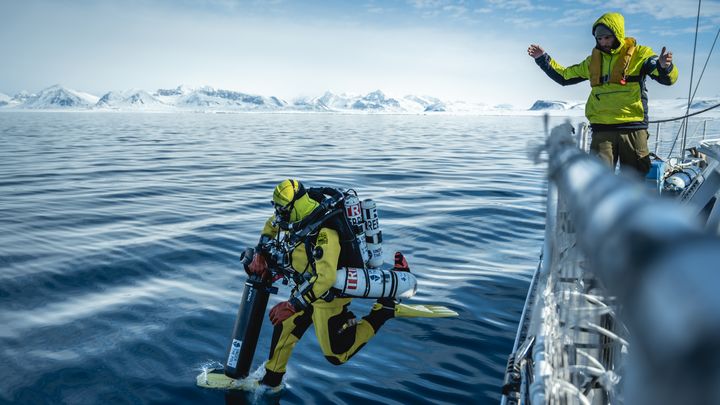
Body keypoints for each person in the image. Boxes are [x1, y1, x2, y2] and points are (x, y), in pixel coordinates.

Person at [245, 179, 410, 388]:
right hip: (305, 288)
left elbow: (326, 278)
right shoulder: (291, 217)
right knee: (285, 328)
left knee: (337, 355)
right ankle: (272, 381)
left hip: (328, 297)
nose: (278, 214)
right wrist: (260, 251)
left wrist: (292, 305)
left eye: (282, 209)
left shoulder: (325, 232)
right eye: (276, 207)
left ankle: (384, 310)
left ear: (294, 205)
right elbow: (271, 224)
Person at [528, 12, 678, 176]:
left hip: (633, 128)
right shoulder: (592, 61)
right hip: (602, 129)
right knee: (599, 179)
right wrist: (543, 59)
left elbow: (666, 79)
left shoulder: (640, 54)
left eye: (607, 37)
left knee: (635, 180)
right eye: (599, 39)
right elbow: (564, 76)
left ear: (617, 35)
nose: (603, 42)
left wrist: (665, 67)